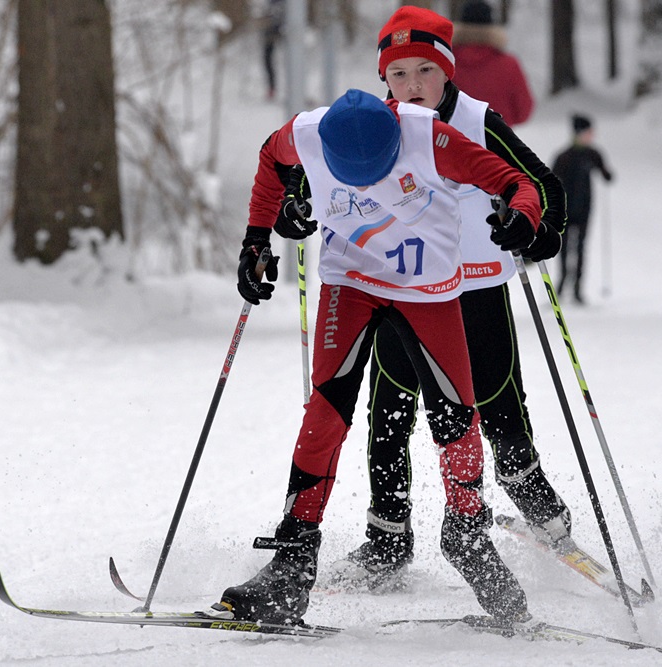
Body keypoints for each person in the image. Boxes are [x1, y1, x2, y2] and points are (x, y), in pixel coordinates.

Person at [204, 87, 548, 627]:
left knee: (457, 421)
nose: (366, 184)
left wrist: (523, 216)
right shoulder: (308, 133)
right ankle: (292, 563)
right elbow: (271, 161)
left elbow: (515, 182)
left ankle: (466, 535)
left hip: (427, 289)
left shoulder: (430, 137)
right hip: (351, 280)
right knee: (326, 410)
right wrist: (255, 240)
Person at [327, 5, 573, 592]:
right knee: (388, 415)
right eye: (400, 74)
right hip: (399, 293)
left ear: (448, 70)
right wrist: (294, 208)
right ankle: (386, 542)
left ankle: (546, 519)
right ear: (383, 79)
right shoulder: (373, 125)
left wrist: (533, 228)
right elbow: (317, 176)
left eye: (426, 72)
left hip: (474, 291)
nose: (413, 87)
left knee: (499, 413)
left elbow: (545, 187)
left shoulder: (476, 120)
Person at [550, 114, 614, 304]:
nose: (591, 136)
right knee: (563, 247)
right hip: (565, 209)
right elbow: (551, 179)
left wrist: (606, 173)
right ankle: (561, 285)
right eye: (588, 132)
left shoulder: (593, 154)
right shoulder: (564, 156)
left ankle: (578, 288)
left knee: (580, 247)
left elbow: (606, 174)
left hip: (585, 208)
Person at [450, 0, 534, 127]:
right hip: (499, 141)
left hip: (452, 140)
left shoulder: (444, 63)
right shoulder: (509, 64)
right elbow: (523, 110)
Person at [261, 0, 284, 100]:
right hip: (271, 28)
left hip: (286, 25)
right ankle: (272, 88)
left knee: (295, 59)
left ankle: (298, 89)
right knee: (268, 59)